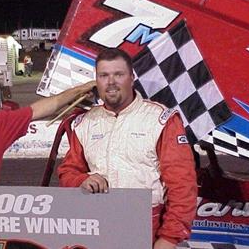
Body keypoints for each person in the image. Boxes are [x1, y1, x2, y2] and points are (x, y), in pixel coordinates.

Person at [57, 48, 197, 248]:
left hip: (148, 226)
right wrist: (82, 180)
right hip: (96, 224)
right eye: (104, 75)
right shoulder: (85, 123)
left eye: (118, 74)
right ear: (96, 80)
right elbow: (67, 172)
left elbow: (183, 185)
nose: (111, 81)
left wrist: (169, 238)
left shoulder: (160, 119)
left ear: (131, 78)